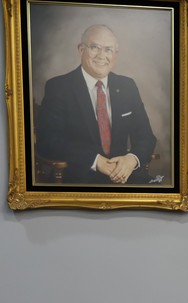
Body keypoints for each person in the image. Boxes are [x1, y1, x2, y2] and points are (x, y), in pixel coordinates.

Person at [35, 24, 156, 185]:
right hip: (79, 177)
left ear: (115, 54)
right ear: (81, 49)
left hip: (124, 176)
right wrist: (95, 160)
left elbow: (146, 137)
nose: (101, 55)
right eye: (94, 47)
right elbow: (48, 141)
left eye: (108, 50)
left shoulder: (127, 86)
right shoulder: (59, 87)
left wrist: (131, 159)